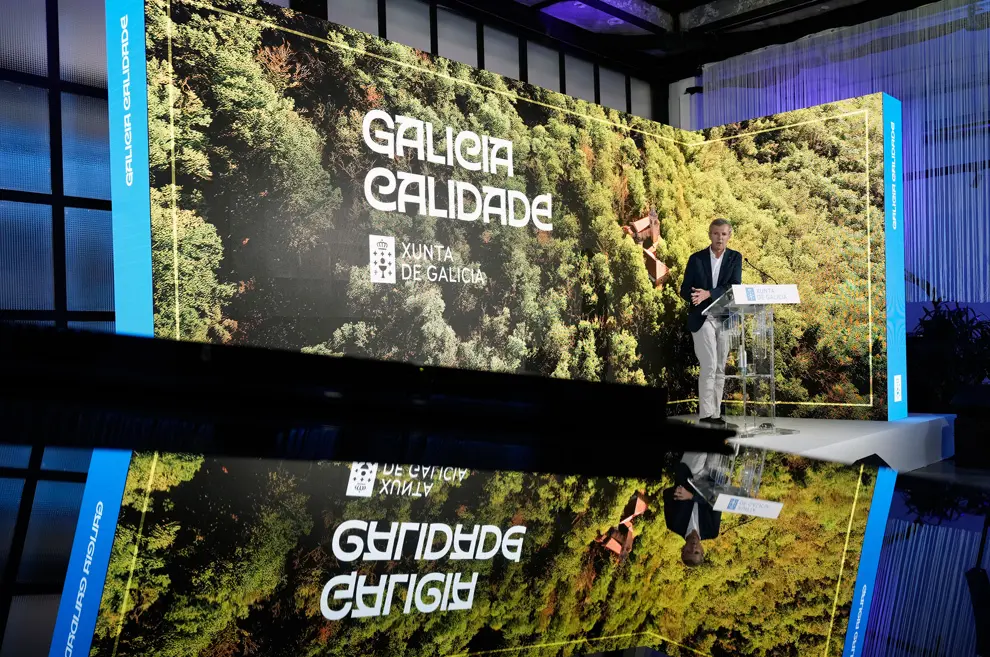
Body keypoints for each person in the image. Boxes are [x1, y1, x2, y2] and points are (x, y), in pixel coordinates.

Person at [679, 219, 742, 425]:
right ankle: (706, 414)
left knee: (720, 368)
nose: (720, 238)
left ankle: (716, 413)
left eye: (723, 234)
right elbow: (684, 290)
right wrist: (695, 296)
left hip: (724, 318)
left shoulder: (735, 258)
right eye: (716, 234)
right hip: (702, 318)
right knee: (709, 365)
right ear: (709, 235)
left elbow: (733, 287)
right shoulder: (696, 259)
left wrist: (708, 294)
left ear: (729, 236)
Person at [663, 452, 722, 566]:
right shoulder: (712, 531)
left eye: (689, 551)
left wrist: (677, 492)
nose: (693, 547)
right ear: (702, 551)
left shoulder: (673, 524)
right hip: (712, 480)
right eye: (696, 552)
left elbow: (666, 494)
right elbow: (717, 501)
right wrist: (691, 496)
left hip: (689, 473)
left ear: (683, 549)